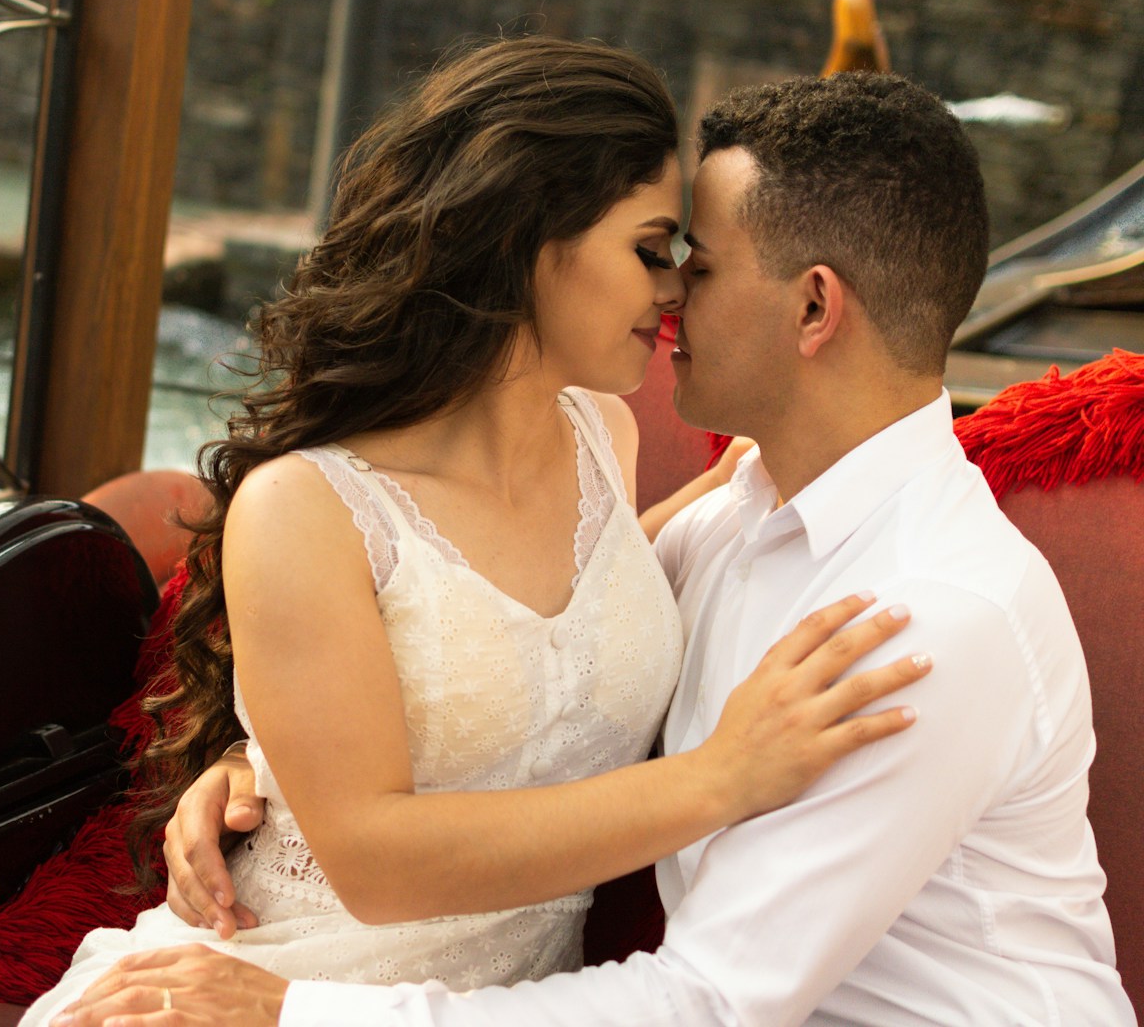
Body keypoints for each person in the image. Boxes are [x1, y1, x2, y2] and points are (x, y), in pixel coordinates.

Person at [64, 71, 1135, 1025]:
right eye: (657, 254)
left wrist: (300, 1012)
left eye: (697, 263)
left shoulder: (927, 618)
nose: (671, 297)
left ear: (814, 307)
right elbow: (526, 638)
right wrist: (275, 760)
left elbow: (711, 998)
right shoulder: (740, 510)